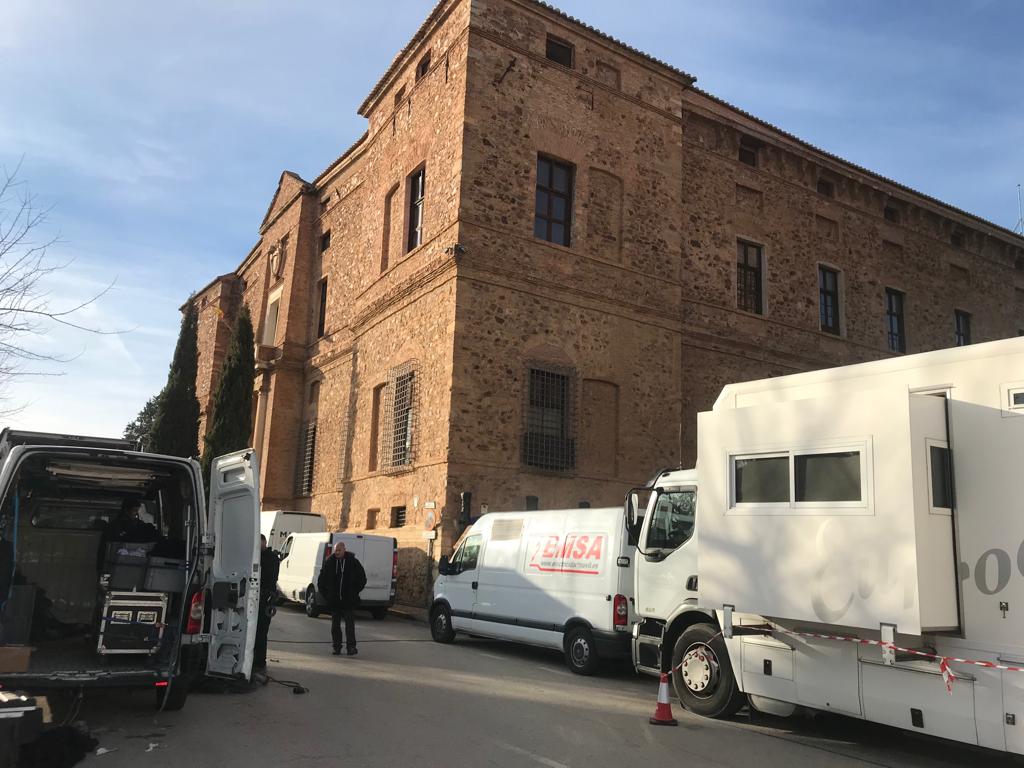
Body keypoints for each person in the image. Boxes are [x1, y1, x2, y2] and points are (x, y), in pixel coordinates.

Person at [316, 541, 366, 656]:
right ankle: (336, 647)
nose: (337, 552)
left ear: (344, 550)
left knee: (349, 624)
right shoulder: (329, 562)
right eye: (335, 550)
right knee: (335, 625)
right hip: (334, 600)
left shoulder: (353, 562)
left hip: (348, 599)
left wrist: (354, 592)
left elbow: (362, 578)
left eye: (339, 550)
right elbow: (321, 581)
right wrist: (327, 595)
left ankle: (351, 647)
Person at [253, 534, 279, 678]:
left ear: (264, 543)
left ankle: (260, 662)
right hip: (255, 597)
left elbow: (271, 577)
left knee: (261, 632)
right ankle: (254, 660)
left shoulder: (271, 558)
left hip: (266, 598)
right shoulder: (256, 556)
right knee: (253, 631)